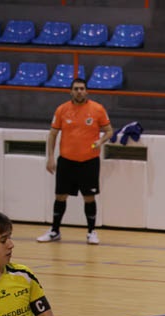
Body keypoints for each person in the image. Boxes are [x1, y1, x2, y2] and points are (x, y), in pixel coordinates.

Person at [36, 78, 112, 245]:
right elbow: (53, 134)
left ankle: (91, 232)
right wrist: (50, 157)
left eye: (82, 88)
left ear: (87, 91)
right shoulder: (62, 110)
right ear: (71, 91)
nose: (79, 91)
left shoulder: (97, 109)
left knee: (89, 197)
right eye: (76, 89)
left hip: (89, 161)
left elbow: (109, 131)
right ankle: (55, 231)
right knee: (60, 196)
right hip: (66, 161)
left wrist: (101, 141)